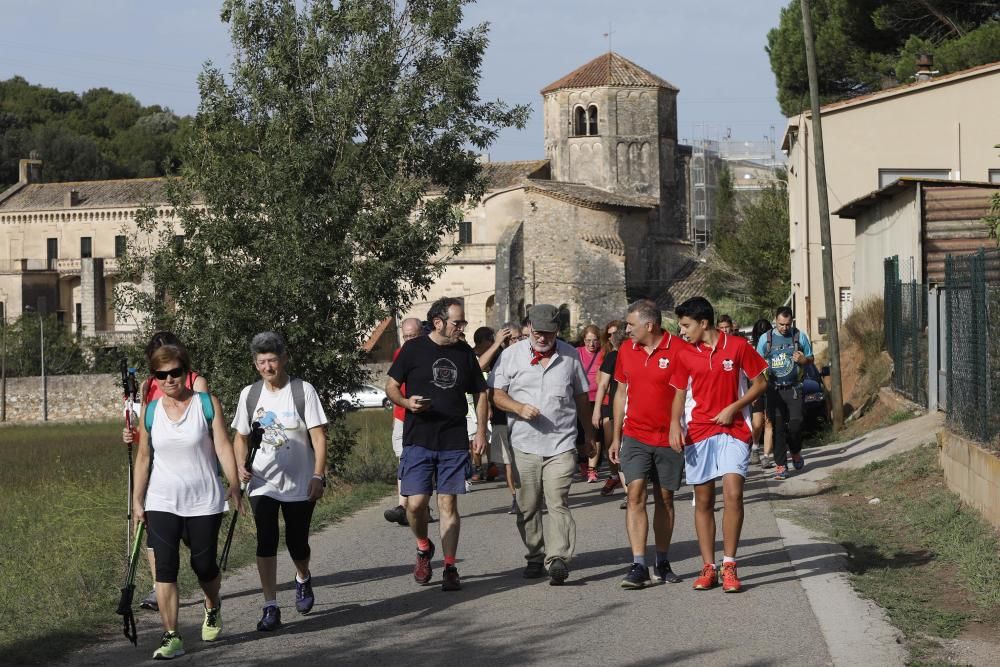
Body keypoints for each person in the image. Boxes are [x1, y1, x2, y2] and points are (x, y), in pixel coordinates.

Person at [131, 344, 241, 659]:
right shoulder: (150, 411)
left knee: (204, 566)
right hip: (162, 500)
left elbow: (222, 446)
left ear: (185, 372)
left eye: (175, 373)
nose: (169, 380)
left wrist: (233, 485)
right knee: (164, 570)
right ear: (155, 377)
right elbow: (143, 457)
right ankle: (171, 636)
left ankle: (212, 603)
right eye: (161, 375)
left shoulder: (206, 404)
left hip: (204, 499)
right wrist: (138, 500)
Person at [489, 304, 597, 585]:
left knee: (558, 500)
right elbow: (496, 395)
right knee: (528, 505)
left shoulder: (570, 355)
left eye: (548, 333)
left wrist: (589, 437)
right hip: (524, 444)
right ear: (528, 329)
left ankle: (558, 558)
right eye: (538, 333)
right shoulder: (511, 356)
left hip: (561, 443)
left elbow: (582, 398)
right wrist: (517, 407)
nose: (542, 338)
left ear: (556, 331)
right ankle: (535, 555)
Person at [386, 297, 488, 591]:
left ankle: (450, 567)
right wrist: (406, 402)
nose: (462, 327)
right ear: (439, 322)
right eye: (458, 322)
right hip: (419, 438)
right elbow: (391, 386)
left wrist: (480, 431)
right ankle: (422, 547)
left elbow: (481, 393)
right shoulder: (413, 349)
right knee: (415, 505)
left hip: (453, 438)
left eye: (463, 322)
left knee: (447, 503)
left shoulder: (464, 353)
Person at [669, 296, 767, 593]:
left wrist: (735, 408)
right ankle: (708, 566)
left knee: (734, 493)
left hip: (735, 429)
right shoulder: (685, 354)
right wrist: (674, 424)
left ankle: (729, 565)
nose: (682, 331)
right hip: (699, 432)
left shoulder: (737, 347)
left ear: (704, 323)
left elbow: (761, 382)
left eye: (686, 325)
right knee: (705, 500)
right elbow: (677, 393)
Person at [232, 332, 329, 631]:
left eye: (272, 360)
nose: (267, 367)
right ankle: (270, 605)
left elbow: (318, 437)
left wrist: (317, 474)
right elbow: (240, 437)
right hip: (263, 482)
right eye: (261, 362)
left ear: (284, 358)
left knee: (297, 543)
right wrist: (239, 467)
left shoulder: (303, 391)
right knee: (266, 539)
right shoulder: (249, 395)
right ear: (255, 363)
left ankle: (302, 577)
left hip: (300, 482)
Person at [121, 331, 210, 613]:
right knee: (153, 532)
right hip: (157, 471)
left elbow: (203, 427)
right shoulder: (149, 386)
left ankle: (207, 583)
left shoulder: (196, 382)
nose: (167, 376)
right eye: (158, 365)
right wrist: (132, 436)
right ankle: (160, 586)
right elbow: (148, 433)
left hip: (193, 474)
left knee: (199, 553)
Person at [609, 301, 686, 588]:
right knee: (635, 494)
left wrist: (678, 427)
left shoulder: (678, 350)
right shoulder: (626, 351)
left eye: (630, 324)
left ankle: (662, 562)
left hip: (668, 438)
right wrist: (615, 436)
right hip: (635, 435)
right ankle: (638, 564)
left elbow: (683, 392)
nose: (626, 329)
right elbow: (620, 393)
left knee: (665, 499)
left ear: (649, 325)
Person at [756, 306, 814, 480]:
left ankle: (795, 451)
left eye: (787, 324)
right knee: (778, 429)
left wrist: (804, 360)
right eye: (781, 324)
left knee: (796, 425)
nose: (784, 328)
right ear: (775, 320)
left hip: (794, 389)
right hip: (774, 390)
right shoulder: (765, 339)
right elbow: (756, 364)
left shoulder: (799, 336)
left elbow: (811, 359)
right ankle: (781, 465)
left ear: (792, 322)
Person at [384, 318, 424, 526]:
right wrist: (395, 415)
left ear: (421, 334)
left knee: (419, 461)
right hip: (401, 415)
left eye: (412, 336)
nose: (408, 340)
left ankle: (419, 506)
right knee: (403, 460)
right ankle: (403, 507)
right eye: (405, 336)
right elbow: (393, 387)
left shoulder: (428, 352)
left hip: (421, 416)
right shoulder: (399, 354)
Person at [592, 321, 625, 497]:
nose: (612, 337)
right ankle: (615, 476)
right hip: (612, 405)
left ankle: (630, 488)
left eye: (615, 334)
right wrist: (597, 409)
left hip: (632, 408)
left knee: (625, 448)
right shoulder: (610, 356)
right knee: (611, 444)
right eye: (610, 334)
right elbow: (602, 383)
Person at [577, 324, 604, 483]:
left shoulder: (603, 354)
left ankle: (592, 469)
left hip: (597, 400)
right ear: (583, 340)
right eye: (588, 340)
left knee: (595, 434)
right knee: (580, 435)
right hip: (580, 399)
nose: (591, 344)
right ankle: (582, 460)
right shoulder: (577, 353)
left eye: (594, 341)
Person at [749, 319, 775, 468]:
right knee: (757, 423)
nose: (762, 337)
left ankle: (766, 456)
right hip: (756, 388)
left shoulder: (773, 346)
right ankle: (754, 446)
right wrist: (753, 392)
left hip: (771, 387)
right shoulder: (751, 349)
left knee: (769, 421)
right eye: (759, 334)